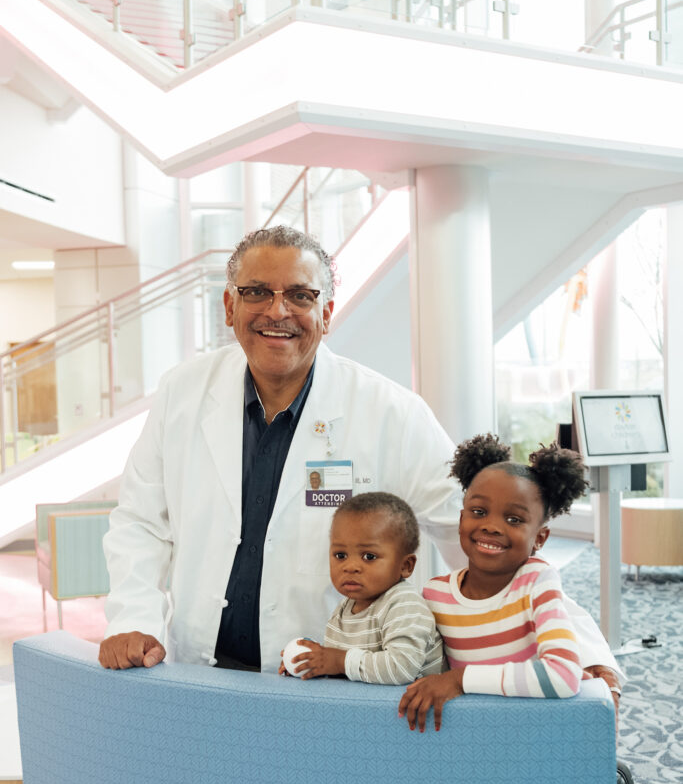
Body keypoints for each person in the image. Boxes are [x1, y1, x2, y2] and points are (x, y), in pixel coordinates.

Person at [99, 225, 463, 674]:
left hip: (330, 680)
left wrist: (551, 637)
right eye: (256, 292)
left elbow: (472, 531)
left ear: (326, 313)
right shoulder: (183, 390)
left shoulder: (393, 412)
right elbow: (141, 522)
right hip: (200, 671)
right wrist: (135, 621)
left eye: (300, 295)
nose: (277, 311)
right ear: (230, 306)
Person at [397, 433, 646, 784]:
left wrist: (460, 681)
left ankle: (610, 781)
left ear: (540, 539)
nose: (492, 525)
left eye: (514, 519)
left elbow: (563, 677)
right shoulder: (434, 595)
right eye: (478, 511)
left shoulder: (538, 581)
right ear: (460, 518)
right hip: (485, 729)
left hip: (544, 721)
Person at [280, 493, 444, 684]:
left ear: (405, 566)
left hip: (408, 712)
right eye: (340, 555)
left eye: (369, 557)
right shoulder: (342, 610)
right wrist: (311, 664)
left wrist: (337, 661)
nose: (350, 567)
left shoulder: (405, 604)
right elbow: (349, 672)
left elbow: (400, 669)